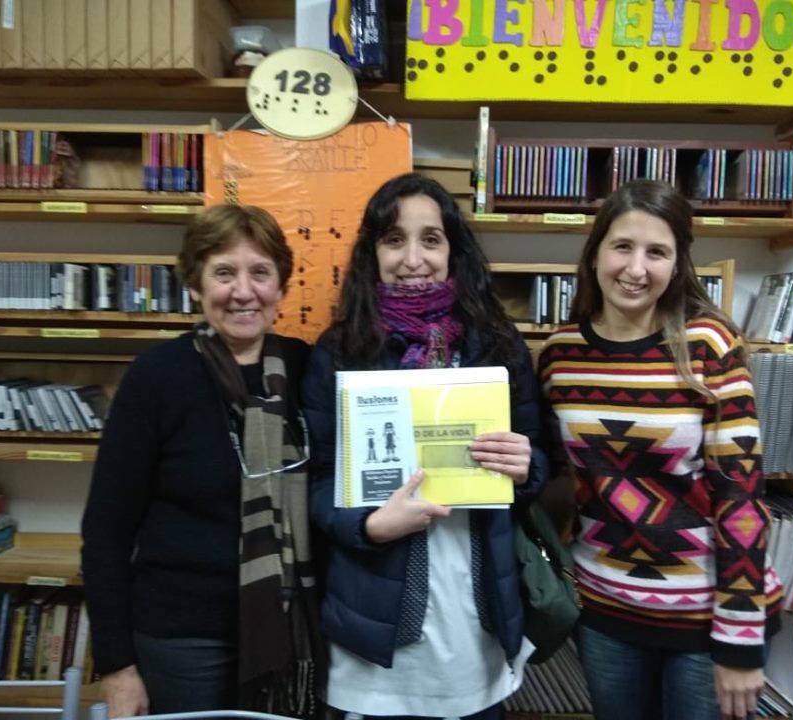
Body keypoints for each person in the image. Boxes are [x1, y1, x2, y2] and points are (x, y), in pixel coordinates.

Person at [302, 172, 548, 719]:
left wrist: (525, 466)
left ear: (453, 252)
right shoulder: (340, 350)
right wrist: (365, 527)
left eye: (431, 239)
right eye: (394, 239)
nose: (413, 258)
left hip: (475, 627)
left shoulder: (498, 345)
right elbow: (317, 480)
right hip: (376, 638)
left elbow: (537, 463)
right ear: (373, 253)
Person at [537, 180, 783, 720]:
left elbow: (741, 495)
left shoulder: (709, 346)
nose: (636, 267)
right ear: (596, 251)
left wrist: (741, 635)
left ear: (678, 264)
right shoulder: (559, 354)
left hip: (703, 614)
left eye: (657, 252)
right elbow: (556, 478)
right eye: (622, 246)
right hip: (603, 608)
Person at [81, 205, 321, 718]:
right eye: (223, 273)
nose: (243, 291)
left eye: (260, 272)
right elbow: (106, 532)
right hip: (181, 640)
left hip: (291, 626)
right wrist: (118, 669)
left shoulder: (308, 369)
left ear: (281, 285)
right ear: (195, 285)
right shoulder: (157, 377)